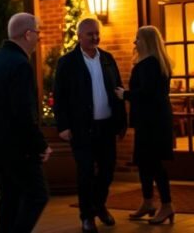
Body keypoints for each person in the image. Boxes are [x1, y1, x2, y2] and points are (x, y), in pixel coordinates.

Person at [0, 13, 52, 232]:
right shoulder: (20, 64)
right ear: (28, 34)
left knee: (9, 197)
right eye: (37, 33)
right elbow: (23, 112)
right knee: (37, 195)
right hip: (18, 149)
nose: (39, 38)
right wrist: (40, 144)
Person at [53, 18, 126, 232]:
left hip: (106, 127)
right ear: (79, 36)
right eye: (90, 34)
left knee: (107, 171)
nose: (95, 38)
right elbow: (59, 96)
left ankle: (99, 205)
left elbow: (118, 90)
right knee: (85, 172)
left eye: (97, 34)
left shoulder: (108, 59)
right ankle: (87, 216)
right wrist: (63, 126)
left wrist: (121, 123)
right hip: (81, 128)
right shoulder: (67, 62)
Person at [115, 26, 175, 225]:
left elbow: (147, 93)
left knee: (154, 163)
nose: (135, 42)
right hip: (154, 120)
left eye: (138, 38)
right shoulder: (158, 62)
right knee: (145, 162)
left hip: (152, 122)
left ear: (147, 41)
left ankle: (166, 205)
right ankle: (148, 202)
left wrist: (124, 94)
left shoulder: (149, 64)